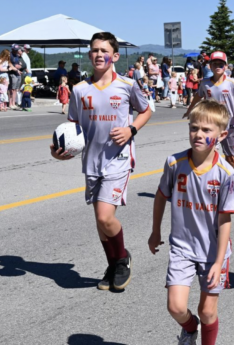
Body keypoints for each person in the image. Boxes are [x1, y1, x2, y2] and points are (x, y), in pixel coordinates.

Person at [50, 32, 151, 291]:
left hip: (118, 159)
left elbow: (146, 110)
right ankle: (112, 264)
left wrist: (131, 130)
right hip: (92, 161)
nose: (98, 54)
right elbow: (73, 128)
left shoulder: (127, 85)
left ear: (114, 56)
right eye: (94, 50)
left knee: (106, 217)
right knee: (99, 220)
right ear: (89, 54)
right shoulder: (79, 90)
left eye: (104, 50)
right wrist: (60, 151)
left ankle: (122, 259)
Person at [148, 99, 234, 345]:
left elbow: (225, 220)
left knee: (208, 310)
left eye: (206, 130)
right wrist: (155, 231)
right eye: (194, 128)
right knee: (176, 306)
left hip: (213, 252)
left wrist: (219, 261)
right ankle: (190, 328)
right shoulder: (175, 163)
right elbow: (161, 196)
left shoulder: (226, 173)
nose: (198, 134)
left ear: (221, 135)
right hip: (182, 248)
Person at [183, 51, 234, 201]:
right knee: (208, 156)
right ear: (210, 66)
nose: (218, 66)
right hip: (211, 127)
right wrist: (189, 110)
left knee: (231, 159)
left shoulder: (232, 83)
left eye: (221, 64)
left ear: (225, 66)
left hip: (229, 127)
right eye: (215, 64)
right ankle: (209, 187)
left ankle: (233, 188)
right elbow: (198, 96)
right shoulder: (205, 83)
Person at [9, 44, 23, 109]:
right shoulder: (10, 55)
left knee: (15, 89)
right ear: (12, 49)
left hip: (17, 73)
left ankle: (14, 103)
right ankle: (10, 103)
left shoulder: (17, 55)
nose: (16, 51)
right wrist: (15, 66)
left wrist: (19, 65)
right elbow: (9, 64)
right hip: (12, 73)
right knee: (12, 89)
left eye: (17, 50)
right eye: (15, 50)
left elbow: (19, 63)